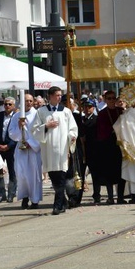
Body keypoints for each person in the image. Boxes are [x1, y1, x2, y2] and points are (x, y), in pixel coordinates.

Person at [31, 86, 78, 215]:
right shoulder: (41, 112)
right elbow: (34, 130)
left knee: (62, 177)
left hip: (62, 150)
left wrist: (72, 136)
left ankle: (57, 205)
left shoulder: (66, 111)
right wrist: (46, 126)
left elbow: (72, 128)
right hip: (49, 150)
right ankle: (63, 202)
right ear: (50, 96)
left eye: (59, 95)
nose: (59, 97)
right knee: (54, 177)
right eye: (56, 95)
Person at [9, 93, 43, 209]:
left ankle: (35, 200)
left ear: (33, 102)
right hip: (21, 149)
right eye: (25, 101)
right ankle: (24, 197)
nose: (28, 103)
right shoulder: (16, 116)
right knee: (22, 174)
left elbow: (41, 132)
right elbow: (11, 133)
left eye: (29, 101)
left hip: (33, 149)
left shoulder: (37, 114)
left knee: (34, 175)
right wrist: (19, 127)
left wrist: (31, 143)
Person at [96, 90, 125, 204]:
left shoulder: (121, 111)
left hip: (120, 146)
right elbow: (101, 131)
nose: (112, 100)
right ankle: (110, 196)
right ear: (105, 100)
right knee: (109, 172)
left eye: (113, 98)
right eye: (109, 98)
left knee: (121, 171)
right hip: (108, 146)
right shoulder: (102, 113)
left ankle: (121, 196)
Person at [0, 96, 17, 203]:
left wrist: (9, 146)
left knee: (12, 171)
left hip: (11, 148)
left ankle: (11, 193)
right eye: (5, 104)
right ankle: (1, 194)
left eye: (10, 104)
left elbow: (18, 134)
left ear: (14, 106)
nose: (7, 106)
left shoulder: (16, 117)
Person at [79, 99, 102, 204]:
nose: (87, 109)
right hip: (83, 151)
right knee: (80, 175)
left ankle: (97, 195)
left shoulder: (96, 119)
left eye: (89, 107)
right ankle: (78, 196)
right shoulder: (80, 120)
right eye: (85, 107)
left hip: (93, 151)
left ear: (93, 108)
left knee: (95, 175)